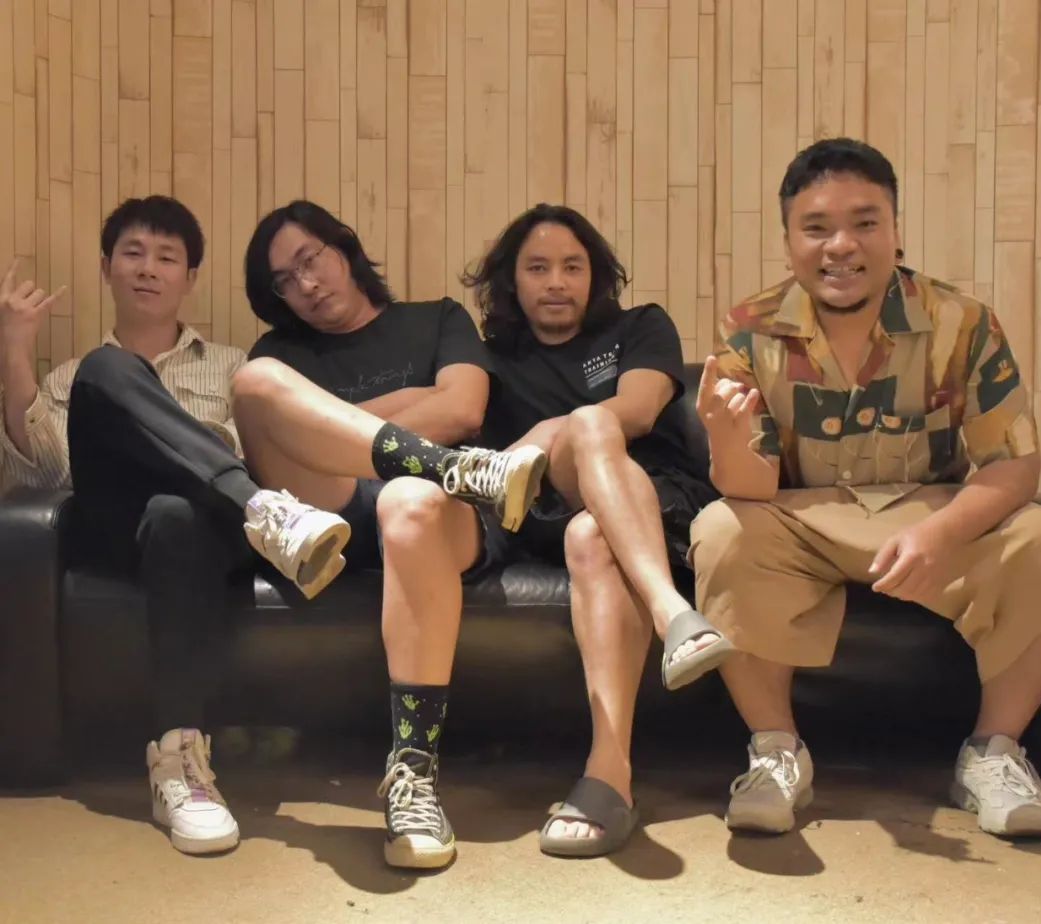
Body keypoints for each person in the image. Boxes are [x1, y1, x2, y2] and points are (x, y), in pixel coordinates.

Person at [689, 137, 1041, 839]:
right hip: (804, 523)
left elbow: (1014, 465)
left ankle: (993, 753)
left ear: (895, 232)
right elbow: (752, 486)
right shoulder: (748, 330)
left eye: (864, 223)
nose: (841, 246)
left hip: (929, 516)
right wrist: (723, 435)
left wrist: (941, 534)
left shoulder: (962, 322)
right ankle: (777, 752)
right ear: (788, 242)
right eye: (816, 228)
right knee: (719, 528)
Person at [0, 196, 359, 856]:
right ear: (107, 267)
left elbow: (253, 447)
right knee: (108, 370)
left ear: (189, 277)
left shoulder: (233, 366)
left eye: (167, 257)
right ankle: (265, 511)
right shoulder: (79, 375)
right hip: (115, 529)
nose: (148, 269)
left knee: (175, 511)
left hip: (203, 531)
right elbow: (45, 475)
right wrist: (15, 351)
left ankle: (181, 763)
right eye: (133, 254)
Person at [235, 200, 546, 870]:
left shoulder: (435, 319)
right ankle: (452, 467)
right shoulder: (280, 354)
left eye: (310, 259)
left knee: (408, 497)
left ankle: (414, 774)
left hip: (437, 514)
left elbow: (462, 407)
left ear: (343, 246)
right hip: (329, 520)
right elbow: (271, 451)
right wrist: (409, 405)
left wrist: (327, 427)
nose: (305, 284)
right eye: (284, 281)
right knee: (255, 383)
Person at [464, 203, 733, 858]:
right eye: (538, 268)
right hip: (548, 506)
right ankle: (674, 615)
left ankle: (608, 777)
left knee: (592, 522)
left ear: (595, 276)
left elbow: (636, 411)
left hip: (656, 497)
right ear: (512, 281)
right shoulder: (492, 361)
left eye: (572, 266)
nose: (556, 282)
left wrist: (540, 432)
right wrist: (543, 442)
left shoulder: (640, 327)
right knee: (584, 446)